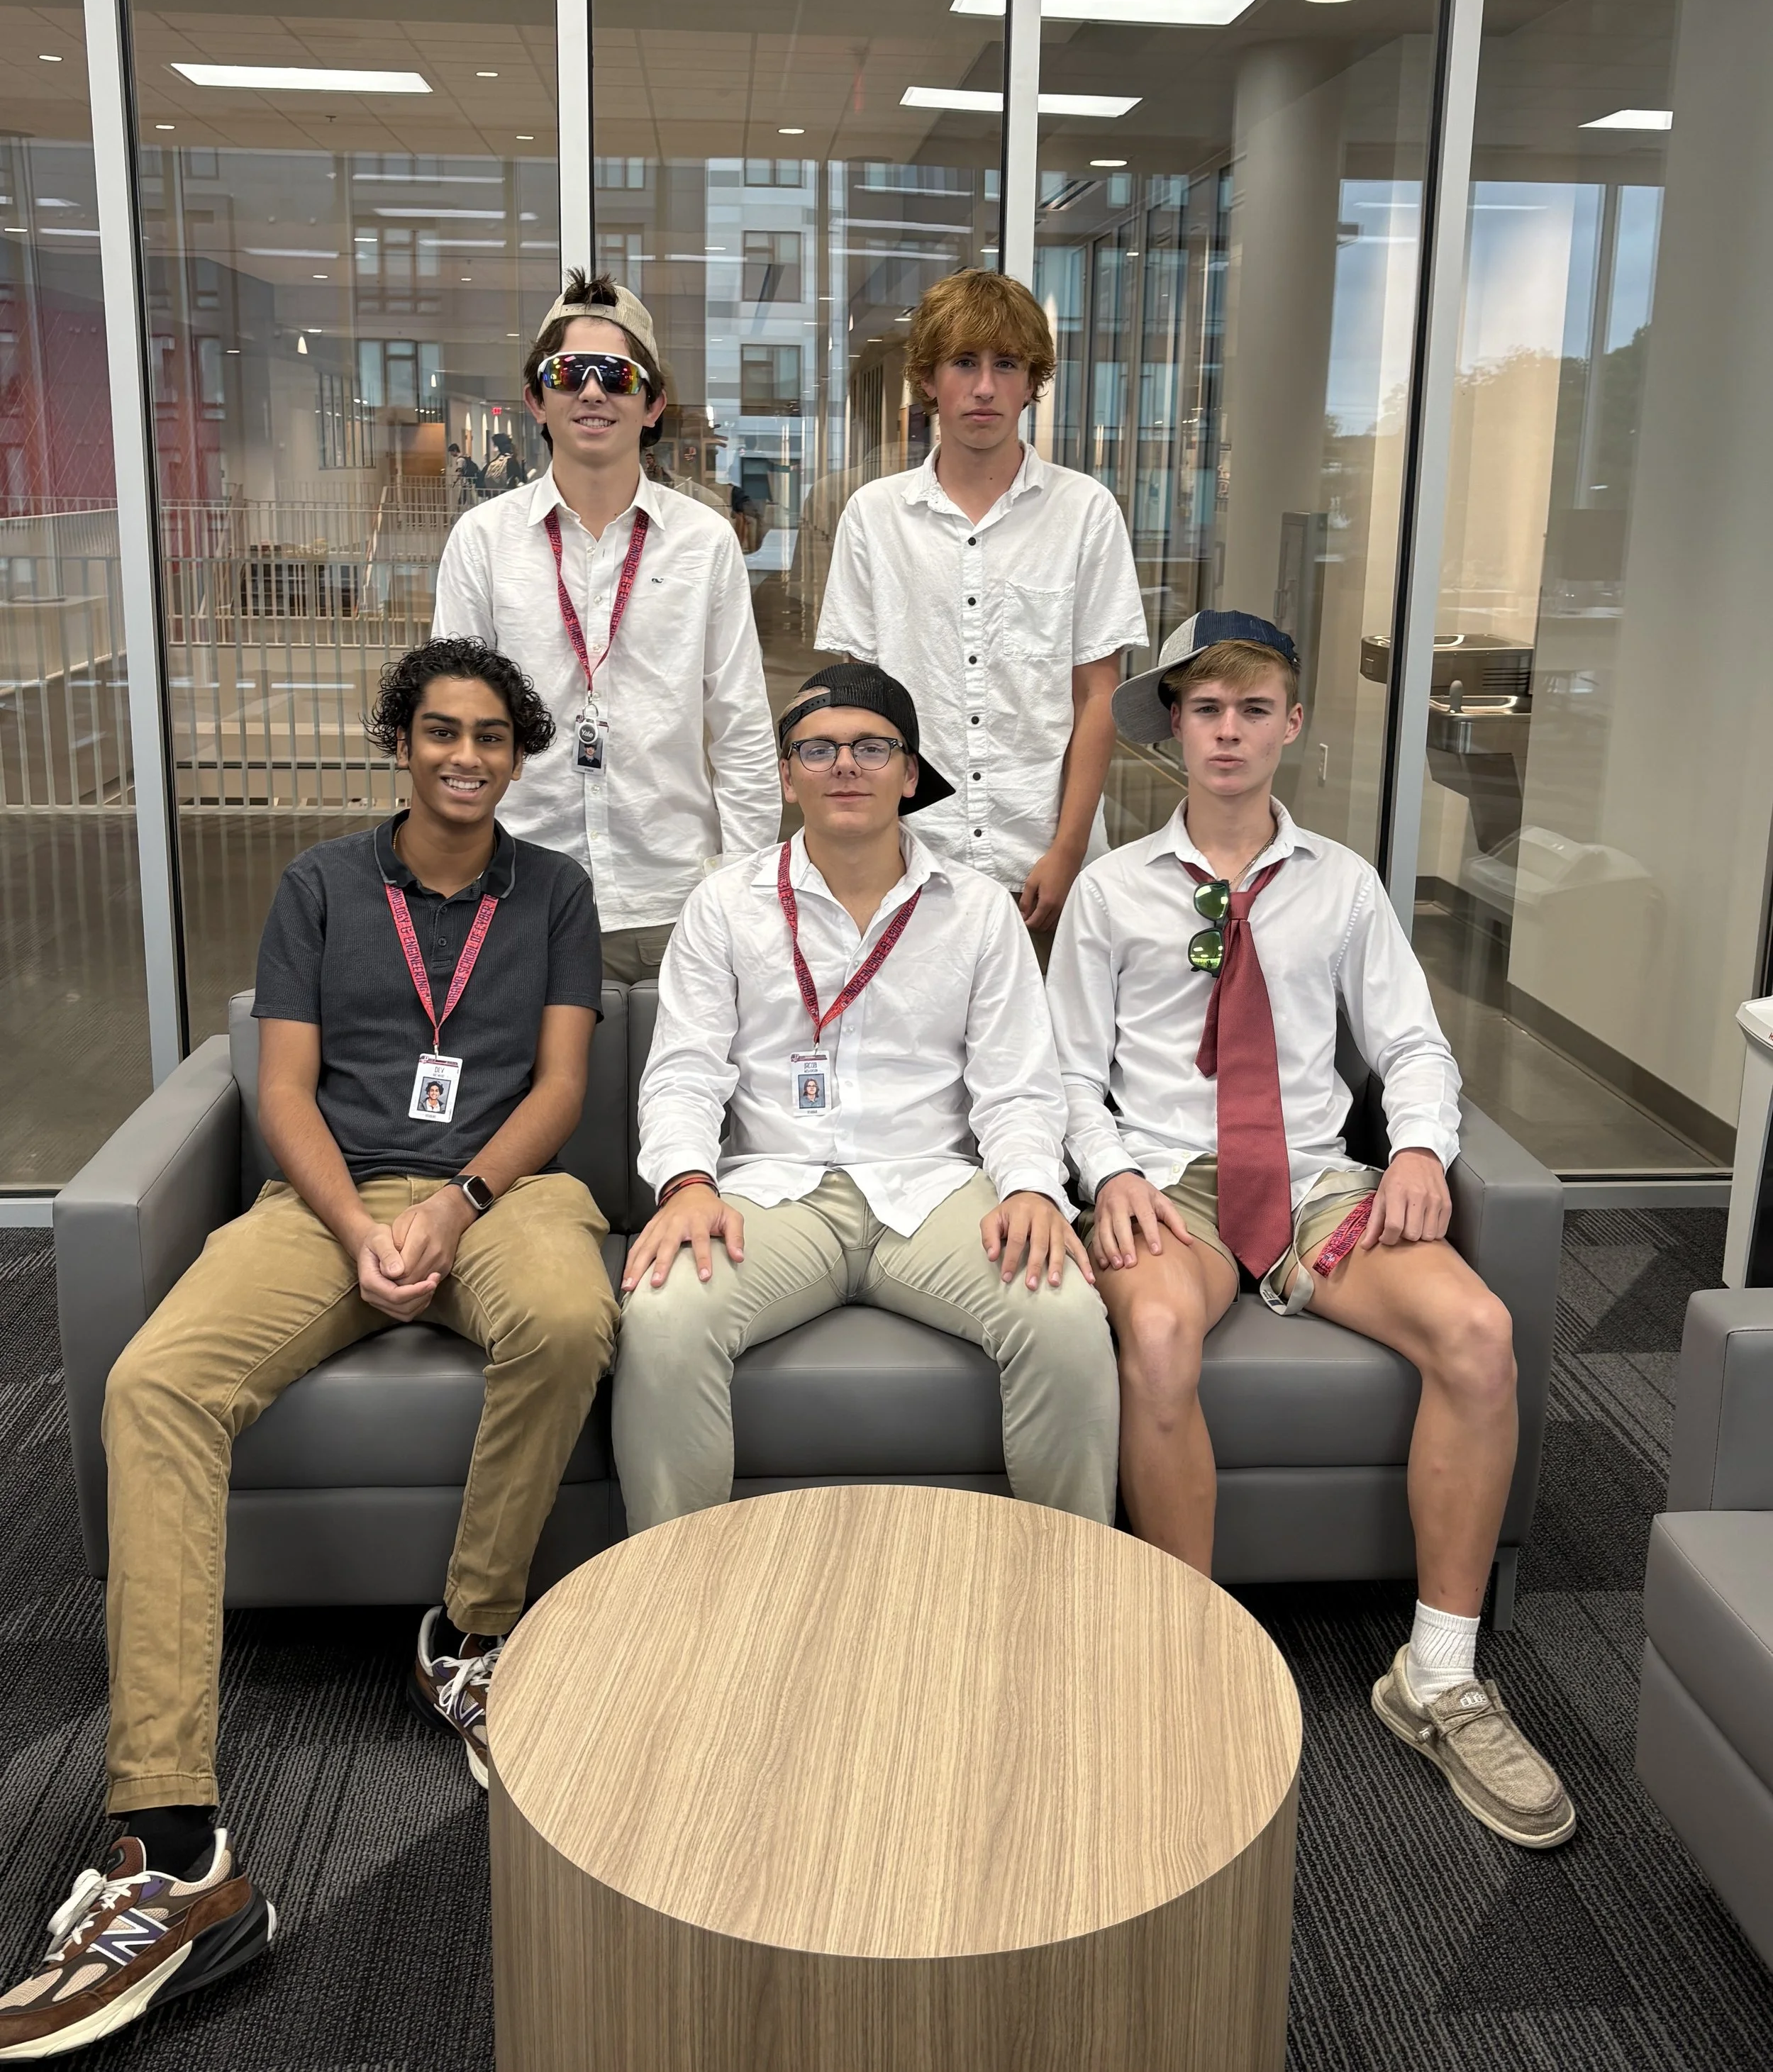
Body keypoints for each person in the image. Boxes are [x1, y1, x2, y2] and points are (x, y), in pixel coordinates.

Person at [0, 638, 616, 2056]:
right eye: (439, 731)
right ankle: (172, 1848)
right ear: (398, 741)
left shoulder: (558, 893)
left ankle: (468, 1632)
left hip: (504, 1192)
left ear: (514, 756)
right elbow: (278, 1085)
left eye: (491, 738)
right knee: (155, 1383)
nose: (465, 756)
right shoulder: (321, 887)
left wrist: (459, 1208)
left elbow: (567, 1082)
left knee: (576, 1313)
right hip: (327, 1190)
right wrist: (354, 1227)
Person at [1047, 609, 1576, 1851]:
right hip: (1171, 1182)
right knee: (1165, 1331)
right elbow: (1064, 1070)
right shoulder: (1115, 891)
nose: (1229, 731)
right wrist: (1108, 1169)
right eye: (1205, 708)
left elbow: (1410, 1046)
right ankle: (1186, 1651)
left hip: (1315, 1185)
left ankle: (1438, 1672)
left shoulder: (1342, 885)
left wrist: (1416, 1150)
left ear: (1291, 725)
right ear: (1173, 728)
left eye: (1253, 709)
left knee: (1481, 1333)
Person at [613, 662, 1119, 1532]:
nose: (844, 765)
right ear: (785, 776)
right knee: (662, 1320)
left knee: (1068, 1317)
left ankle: (1068, 1602)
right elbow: (686, 1072)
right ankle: (674, 1615)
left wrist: (1034, 1187)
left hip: (936, 1190)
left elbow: (1016, 1085)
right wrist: (687, 1183)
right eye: (817, 748)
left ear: (910, 774)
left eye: (872, 747)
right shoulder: (724, 906)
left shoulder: (977, 912)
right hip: (773, 1192)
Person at [432, 274, 780, 984]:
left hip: (674, 905)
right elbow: (446, 731)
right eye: (569, 373)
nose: (593, 392)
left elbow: (741, 730)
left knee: (673, 1097)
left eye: (617, 376)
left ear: (652, 404)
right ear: (538, 398)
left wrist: (744, 899)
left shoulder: (704, 542)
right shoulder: (483, 541)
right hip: (519, 898)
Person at [815, 269, 1147, 960]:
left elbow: (1097, 699)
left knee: (1048, 1064)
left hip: (1044, 870)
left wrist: (1066, 850)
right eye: (964, 362)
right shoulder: (875, 520)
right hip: (911, 867)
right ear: (928, 379)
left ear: (1033, 382)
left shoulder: (1083, 514)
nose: (986, 386)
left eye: (1007, 364)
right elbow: (859, 711)